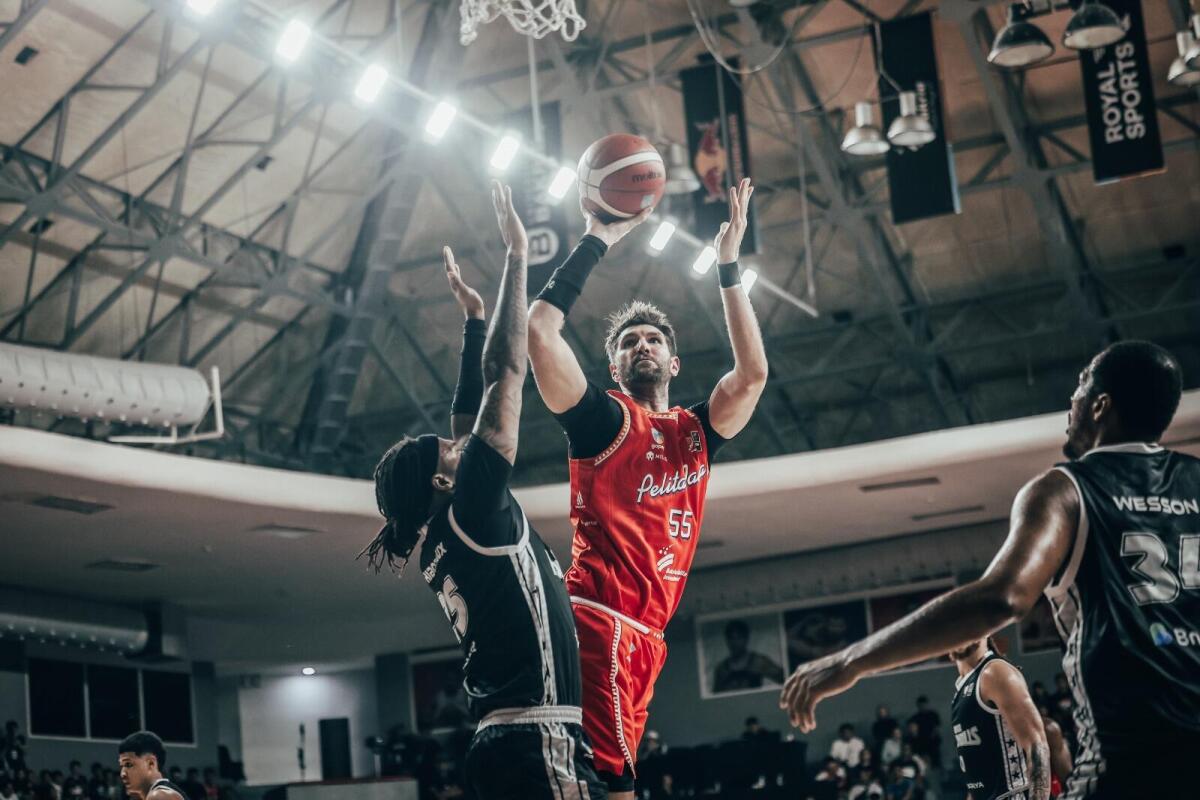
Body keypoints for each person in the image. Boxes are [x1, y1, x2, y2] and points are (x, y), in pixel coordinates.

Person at [780, 341, 1200, 800]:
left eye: (1081, 385)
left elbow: (1003, 598)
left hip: (1132, 763)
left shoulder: (1065, 490)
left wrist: (851, 660)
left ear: (1101, 406)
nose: (1072, 398)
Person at [360, 182, 604, 799]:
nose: (457, 441)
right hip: (535, 738)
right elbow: (506, 374)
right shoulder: (472, 510)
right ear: (443, 479)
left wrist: (473, 321)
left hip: (504, 740)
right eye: (446, 447)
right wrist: (517, 257)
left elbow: (470, 413)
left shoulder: (451, 527)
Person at [528, 178, 767, 797]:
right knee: (617, 788)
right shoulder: (603, 421)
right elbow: (540, 332)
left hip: (647, 637)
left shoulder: (695, 432)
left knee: (598, 784)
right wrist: (595, 239)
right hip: (600, 620)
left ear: (673, 363)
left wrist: (729, 267)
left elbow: (752, 376)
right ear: (614, 367)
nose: (643, 345)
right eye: (629, 342)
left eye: (654, 339)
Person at [949, 637, 1050, 800]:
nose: (960, 633)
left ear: (986, 630)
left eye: (966, 626)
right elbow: (976, 780)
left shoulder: (994, 671)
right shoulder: (960, 690)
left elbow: (1037, 745)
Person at [712, 619, 784, 692]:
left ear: (746, 639)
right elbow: (715, 695)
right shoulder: (721, 669)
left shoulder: (758, 662)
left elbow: (784, 678)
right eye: (731, 638)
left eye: (739, 638)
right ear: (727, 641)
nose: (735, 642)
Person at [118, 731, 186, 800]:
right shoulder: (164, 791)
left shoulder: (159, 795)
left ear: (151, 763)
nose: (122, 774)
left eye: (128, 764)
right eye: (121, 766)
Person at [907, 697, 941, 768]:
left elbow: (937, 729)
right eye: (921, 705)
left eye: (923, 705)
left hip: (932, 743)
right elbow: (913, 732)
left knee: (935, 763)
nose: (922, 707)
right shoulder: (915, 717)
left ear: (927, 704)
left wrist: (933, 738)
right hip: (920, 743)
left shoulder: (933, 715)